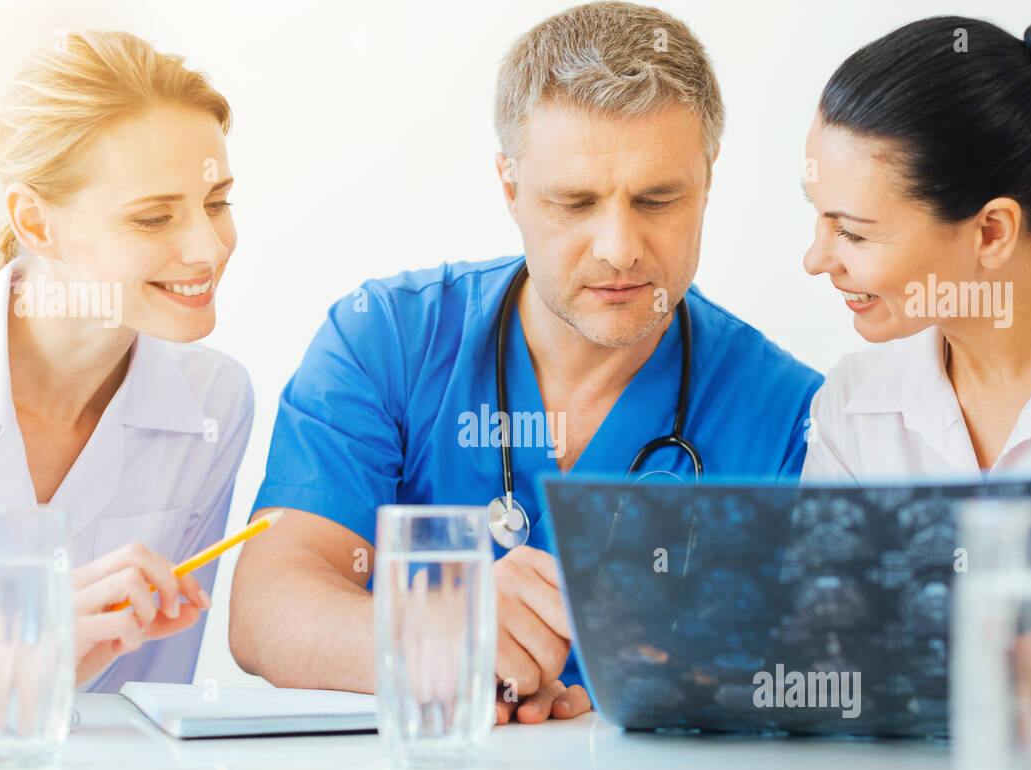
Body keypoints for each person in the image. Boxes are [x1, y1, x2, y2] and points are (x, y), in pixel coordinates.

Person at [230, 1, 822, 723]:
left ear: (708, 179)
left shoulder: (793, 417)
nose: (619, 248)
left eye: (658, 198)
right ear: (509, 187)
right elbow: (265, 607)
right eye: (574, 202)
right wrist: (440, 639)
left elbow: (816, 680)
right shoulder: (386, 340)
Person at [0, 30, 253, 708]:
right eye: (153, 218)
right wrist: (9, 669)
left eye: (216, 203)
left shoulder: (214, 401)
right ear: (37, 224)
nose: (207, 248)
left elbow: (149, 699)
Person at [800, 15, 1031, 482]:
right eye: (819, 215)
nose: (814, 261)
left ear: (992, 232)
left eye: (854, 233)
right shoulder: (849, 410)